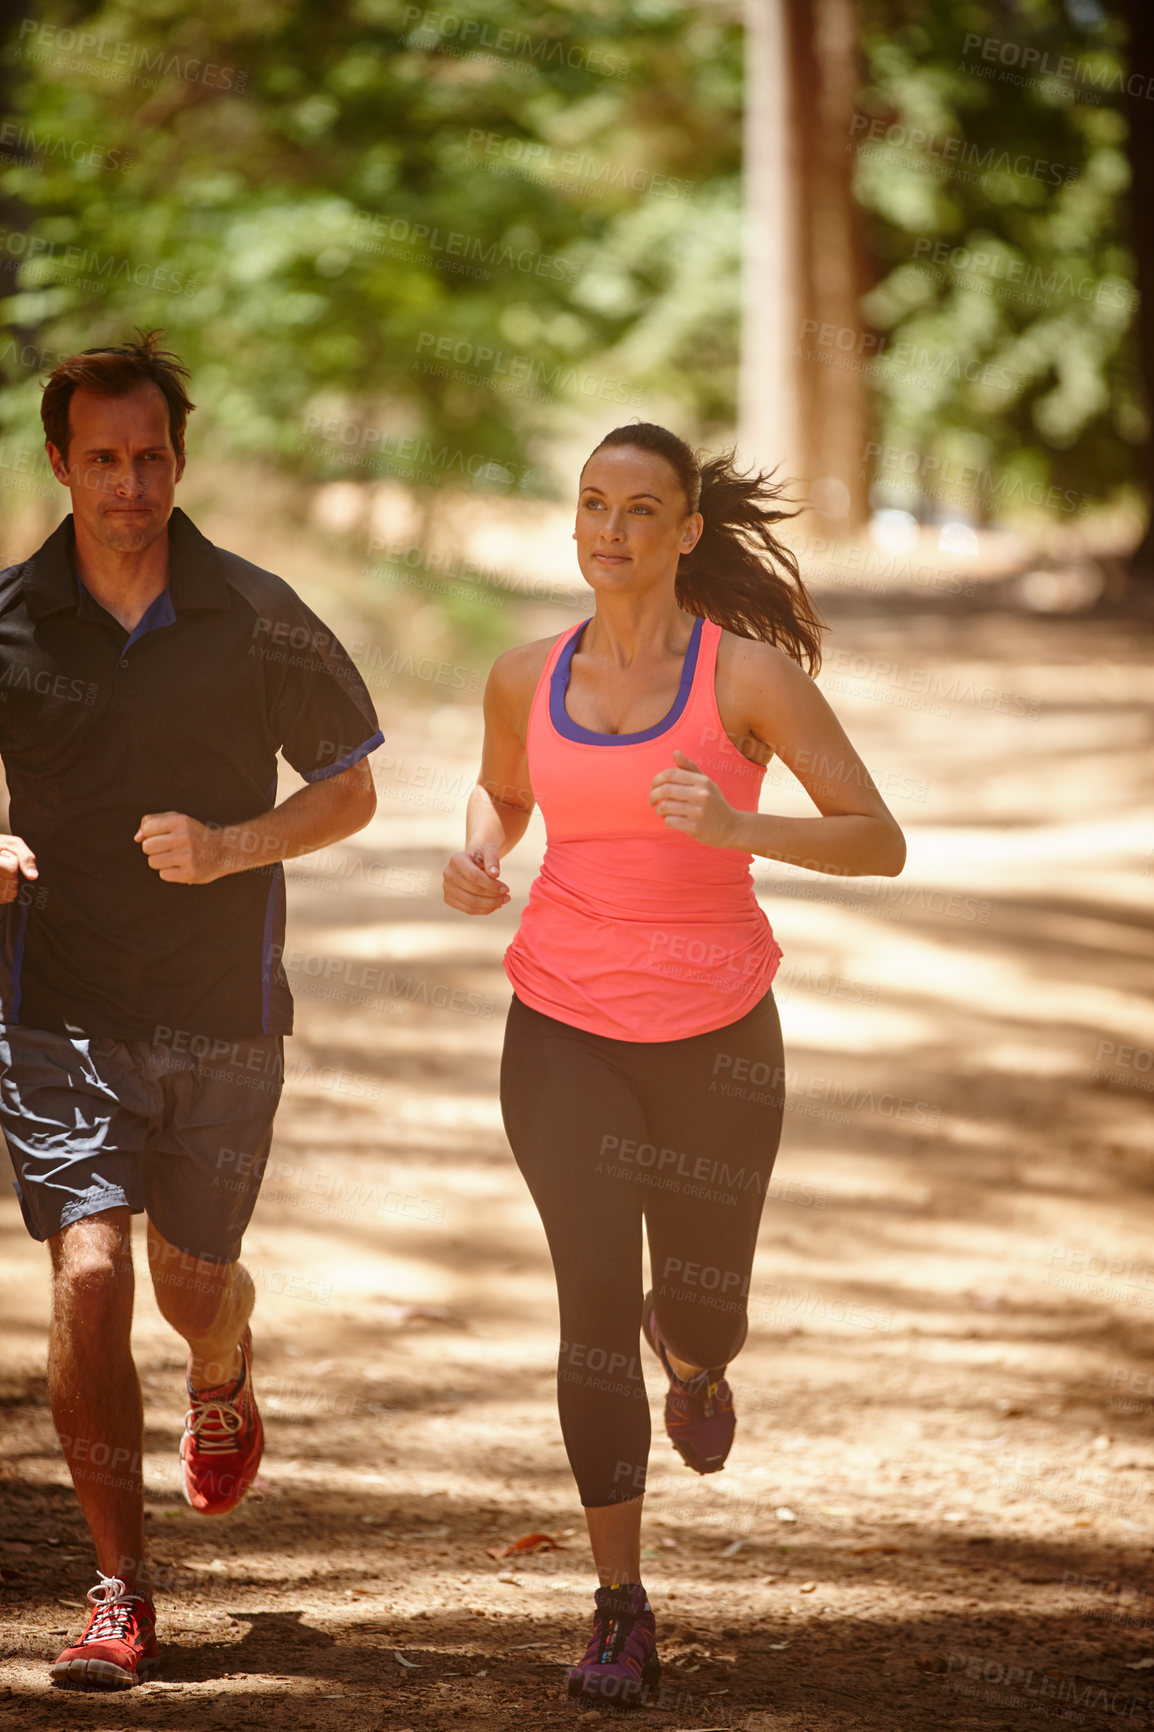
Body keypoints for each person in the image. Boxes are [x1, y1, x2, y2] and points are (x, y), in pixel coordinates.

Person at [443, 422, 905, 1706]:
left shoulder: (746, 680)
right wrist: (477, 853)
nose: (610, 529)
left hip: (716, 1042)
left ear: (687, 530)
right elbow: (504, 793)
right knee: (589, 1313)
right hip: (560, 1033)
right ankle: (616, 1605)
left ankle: (694, 1360)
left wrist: (739, 821)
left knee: (696, 1308)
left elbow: (879, 840)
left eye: (641, 509)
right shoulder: (522, 673)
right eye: (592, 503)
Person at [0, 332, 384, 1690]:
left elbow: (350, 786)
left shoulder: (257, 613)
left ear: (180, 456)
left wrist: (231, 848)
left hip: (221, 1009)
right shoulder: (8, 619)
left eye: (149, 456)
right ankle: (120, 1591)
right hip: (59, 1008)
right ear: (60, 463)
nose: (128, 484)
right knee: (89, 1274)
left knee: (189, 1285)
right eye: (100, 460)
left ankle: (221, 1371)